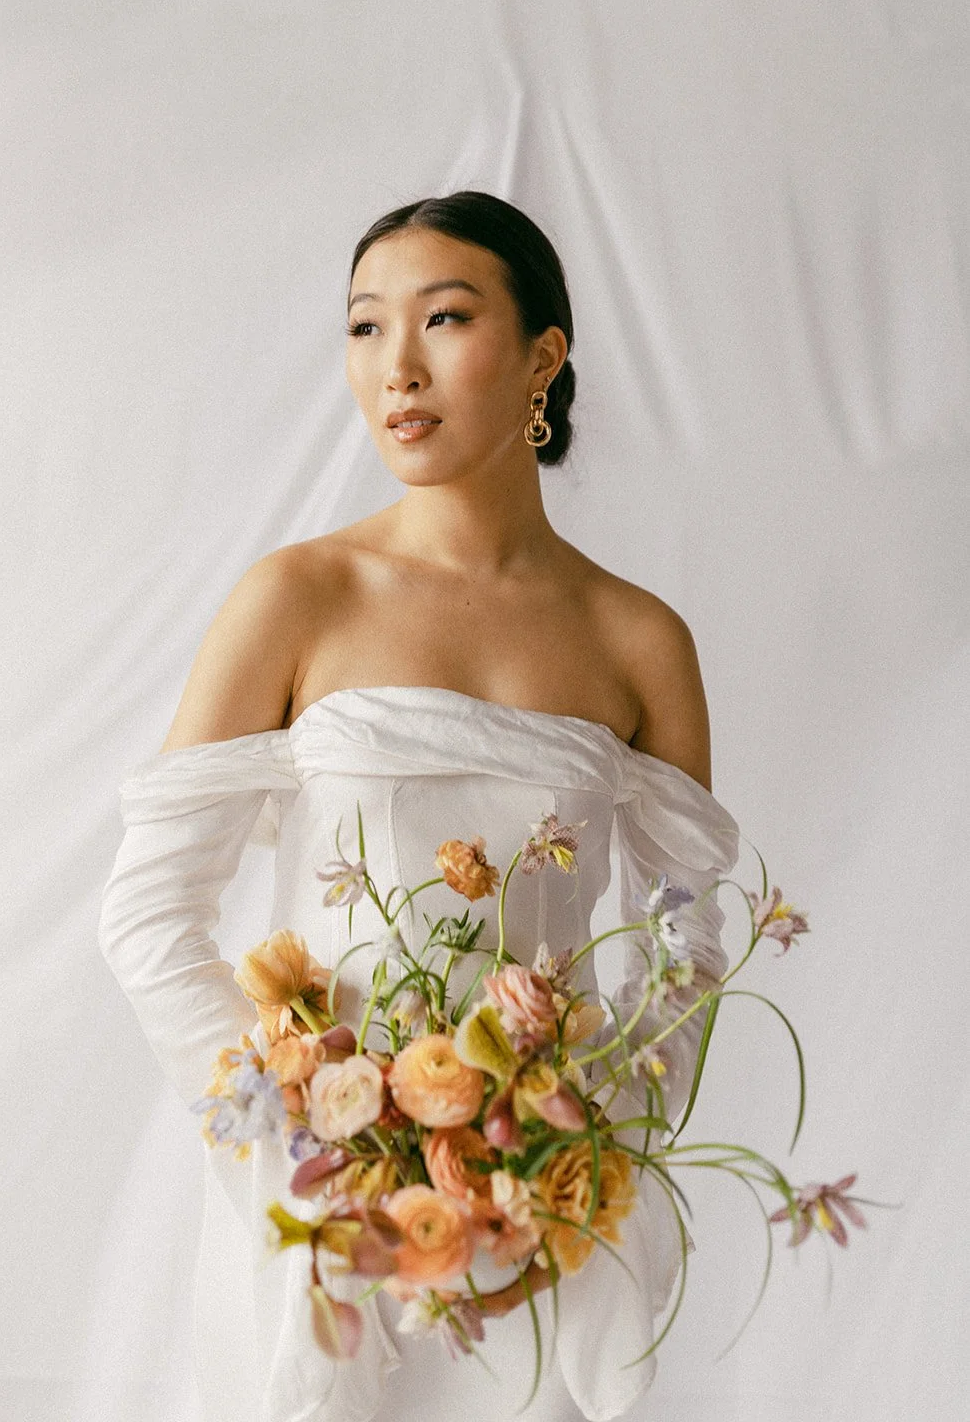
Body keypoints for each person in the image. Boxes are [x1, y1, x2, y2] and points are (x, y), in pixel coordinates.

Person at [98, 190, 740, 1422]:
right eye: (362, 328)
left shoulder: (638, 639)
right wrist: (299, 1135)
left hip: (537, 1227)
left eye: (444, 319)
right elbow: (147, 914)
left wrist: (582, 1140)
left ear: (542, 357)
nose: (396, 367)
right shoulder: (296, 598)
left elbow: (684, 938)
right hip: (322, 1226)